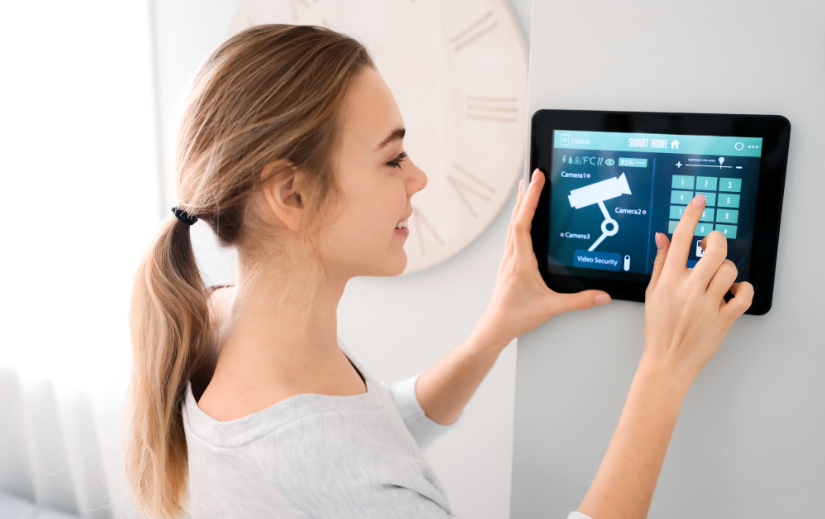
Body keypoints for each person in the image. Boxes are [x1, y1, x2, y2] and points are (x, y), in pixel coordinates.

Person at [125, 24, 753, 519]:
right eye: (393, 158)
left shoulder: (226, 319)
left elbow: (367, 433)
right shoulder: (309, 454)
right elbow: (340, 463)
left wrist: (493, 331)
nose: (417, 177)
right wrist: (665, 370)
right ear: (290, 195)